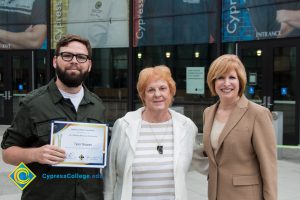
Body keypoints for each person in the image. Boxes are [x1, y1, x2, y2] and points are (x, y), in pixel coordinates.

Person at [1, 34, 105, 200]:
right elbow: (7, 153)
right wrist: (35, 154)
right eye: (67, 55)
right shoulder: (33, 104)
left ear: (89, 65)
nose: (74, 61)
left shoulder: (97, 105)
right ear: (55, 61)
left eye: (81, 57)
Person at [104, 65, 207, 200]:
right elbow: (110, 173)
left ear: (170, 92)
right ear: (143, 95)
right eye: (151, 90)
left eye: (163, 88)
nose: (157, 94)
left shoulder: (186, 126)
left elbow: (201, 161)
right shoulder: (123, 125)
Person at [203, 54, 277, 200]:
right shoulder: (208, 112)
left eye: (232, 77)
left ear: (240, 81)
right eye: (220, 78)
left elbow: (269, 167)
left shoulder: (258, 114)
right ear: (213, 82)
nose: (226, 83)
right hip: (215, 194)